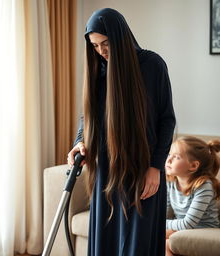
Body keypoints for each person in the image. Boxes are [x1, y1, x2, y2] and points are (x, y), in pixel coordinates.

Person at [68, 8, 176, 256]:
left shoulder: (153, 65)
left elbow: (166, 120)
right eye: (95, 46)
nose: (101, 51)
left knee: (139, 244)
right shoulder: (99, 71)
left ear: (120, 36)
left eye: (105, 43)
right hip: (107, 170)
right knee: (106, 242)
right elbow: (89, 117)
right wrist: (79, 141)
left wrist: (155, 167)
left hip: (143, 170)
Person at [165, 136, 220, 256]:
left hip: (205, 228)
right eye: (169, 154)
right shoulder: (171, 183)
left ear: (193, 166)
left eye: (176, 157)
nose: (168, 160)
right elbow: (168, 213)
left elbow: (188, 223)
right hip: (183, 227)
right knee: (152, 236)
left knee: (164, 243)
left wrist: (159, 223)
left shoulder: (204, 186)